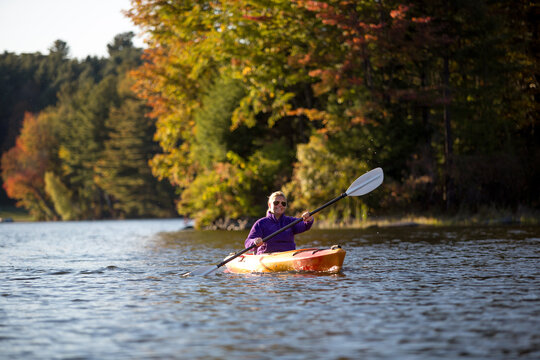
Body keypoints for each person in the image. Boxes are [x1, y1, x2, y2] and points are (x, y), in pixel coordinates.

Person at [245, 191, 314, 255]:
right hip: (267, 257)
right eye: (276, 203)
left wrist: (309, 219)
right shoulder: (261, 223)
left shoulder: (290, 221)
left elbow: (304, 225)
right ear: (269, 205)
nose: (280, 205)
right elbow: (248, 242)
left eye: (283, 203)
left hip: (288, 256)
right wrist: (254, 241)